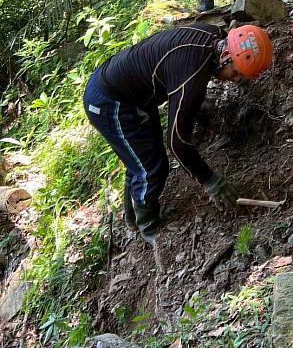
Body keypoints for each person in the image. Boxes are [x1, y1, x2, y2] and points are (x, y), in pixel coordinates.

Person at [83, 23, 273, 243]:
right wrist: (209, 180)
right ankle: (148, 227)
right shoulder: (192, 74)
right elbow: (177, 142)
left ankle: (132, 219)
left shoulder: (212, 35)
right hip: (109, 101)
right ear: (226, 55)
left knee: (140, 158)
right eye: (236, 73)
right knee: (152, 168)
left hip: (132, 92)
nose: (236, 79)